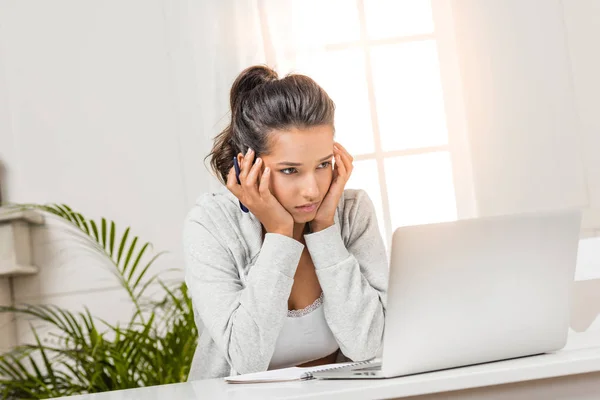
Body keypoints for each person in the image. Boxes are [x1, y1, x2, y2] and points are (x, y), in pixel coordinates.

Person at [183, 65, 388, 380]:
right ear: (247, 165)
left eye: (323, 165)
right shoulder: (211, 226)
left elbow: (368, 345)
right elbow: (247, 360)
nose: (313, 190)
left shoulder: (351, 211)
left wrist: (325, 230)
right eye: (290, 170)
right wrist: (280, 235)